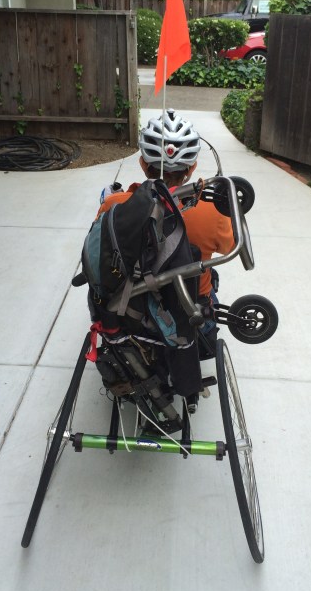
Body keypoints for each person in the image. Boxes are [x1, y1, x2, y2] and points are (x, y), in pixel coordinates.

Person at [98, 110, 235, 399]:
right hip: (192, 317)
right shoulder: (213, 211)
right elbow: (227, 246)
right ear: (193, 166)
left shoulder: (114, 205)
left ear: (142, 163)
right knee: (211, 275)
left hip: (129, 318)